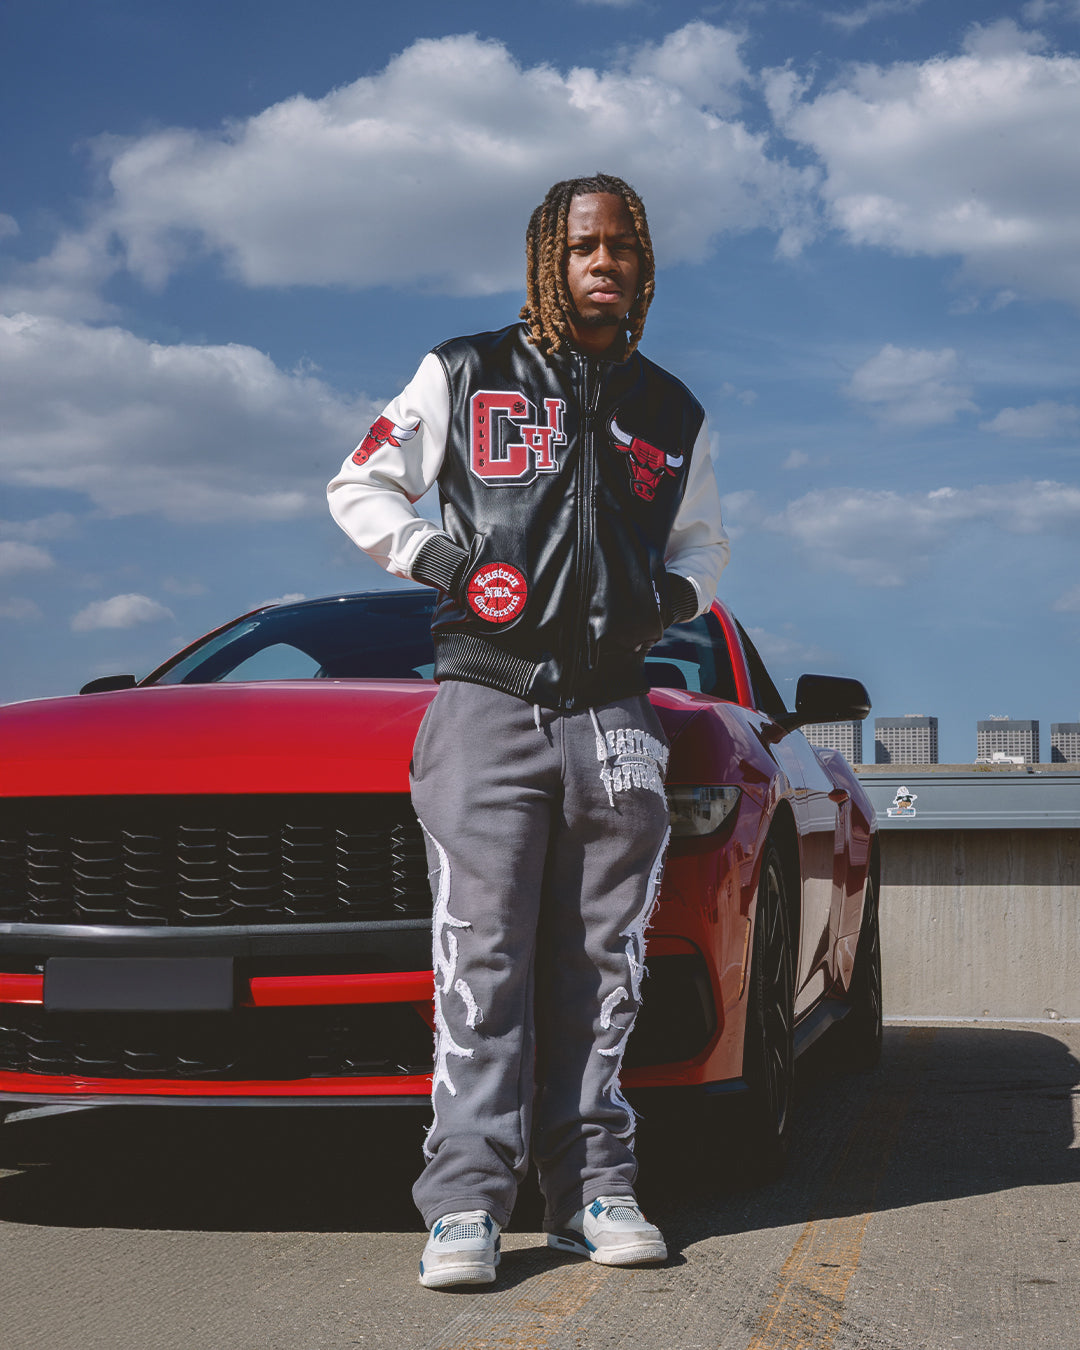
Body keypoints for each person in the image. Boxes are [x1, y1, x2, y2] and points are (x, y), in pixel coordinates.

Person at [328, 173, 729, 1289]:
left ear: (644, 269)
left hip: (614, 709)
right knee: (482, 955)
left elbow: (705, 549)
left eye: (624, 250)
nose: (604, 263)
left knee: (605, 963)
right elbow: (360, 486)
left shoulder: (672, 410)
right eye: (585, 246)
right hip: (486, 699)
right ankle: (464, 1203)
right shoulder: (460, 371)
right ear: (549, 258)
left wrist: (670, 604)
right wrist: (445, 563)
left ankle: (594, 1190)